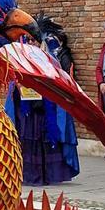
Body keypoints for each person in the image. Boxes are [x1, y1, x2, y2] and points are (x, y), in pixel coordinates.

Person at [9, 13, 79, 185]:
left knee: (46, 137)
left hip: (46, 106)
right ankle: (29, 174)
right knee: (27, 138)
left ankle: (48, 174)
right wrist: (18, 85)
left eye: (34, 40)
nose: (31, 43)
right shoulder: (20, 57)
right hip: (26, 107)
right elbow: (13, 77)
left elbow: (57, 79)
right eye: (29, 40)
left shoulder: (50, 59)